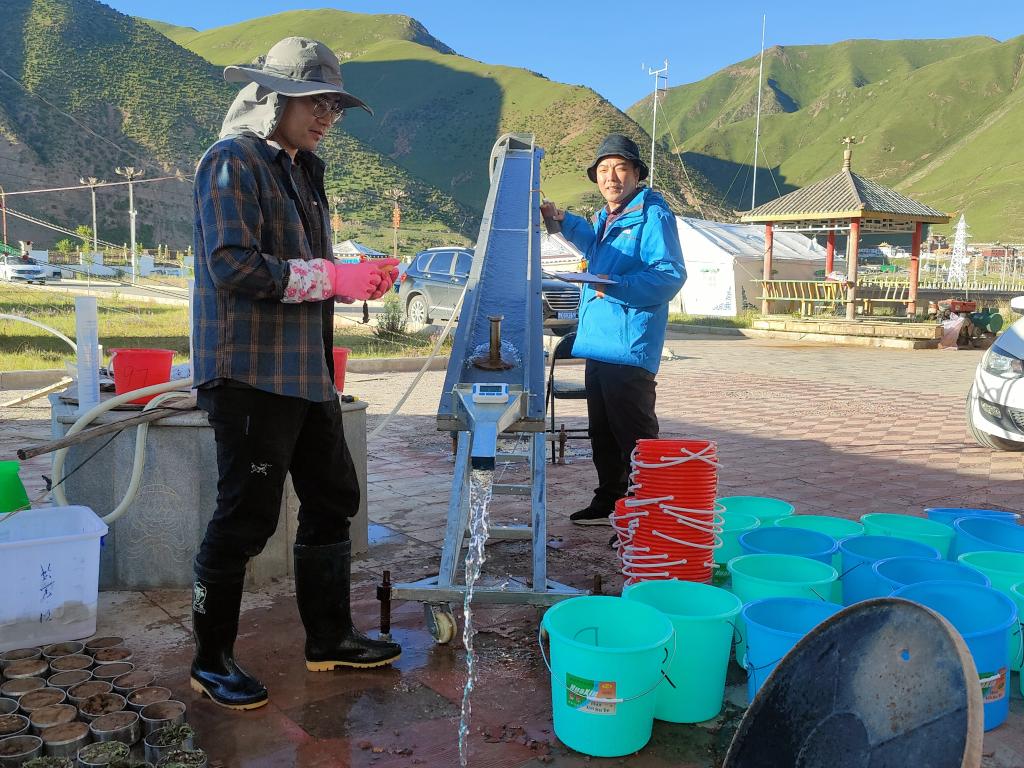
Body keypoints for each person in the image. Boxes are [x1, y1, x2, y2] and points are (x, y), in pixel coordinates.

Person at [190, 37, 401, 711]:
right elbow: (232, 264)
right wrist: (335, 278)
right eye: (315, 103)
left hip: (307, 373)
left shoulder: (303, 170)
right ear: (272, 99)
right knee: (245, 519)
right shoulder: (231, 161)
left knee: (334, 497)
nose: (327, 117)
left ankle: (329, 639)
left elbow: (306, 270)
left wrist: (351, 279)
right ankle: (210, 660)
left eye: (334, 106)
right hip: (250, 372)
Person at [540, 134, 686, 527]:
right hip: (599, 344)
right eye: (604, 170)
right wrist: (560, 221)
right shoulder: (605, 218)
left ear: (637, 174)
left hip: (629, 344)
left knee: (634, 436)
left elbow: (669, 275)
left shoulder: (653, 216)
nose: (611, 177)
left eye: (621, 168)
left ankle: (646, 512)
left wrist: (615, 285)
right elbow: (594, 247)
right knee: (602, 433)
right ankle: (609, 502)